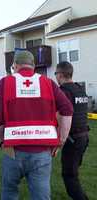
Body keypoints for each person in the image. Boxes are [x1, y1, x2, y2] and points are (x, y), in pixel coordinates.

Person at [0, 50, 73, 200]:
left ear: (15, 66)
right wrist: (61, 140)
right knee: (41, 195)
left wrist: (4, 140)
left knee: (9, 192)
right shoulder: (48, 83)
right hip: (42, 152)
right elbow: (67, 110)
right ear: (33, 66)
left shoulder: (5, 83)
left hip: (13, 151)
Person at [55, 61, 89, 200]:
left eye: (56, 73)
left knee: (69, 176)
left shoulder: (63, 92)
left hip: (72, 139)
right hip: (83, 137)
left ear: (61, 74)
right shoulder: (80, 89)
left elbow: (60, 116)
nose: (55, 77)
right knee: (74, 171)